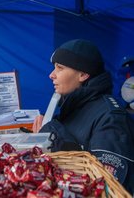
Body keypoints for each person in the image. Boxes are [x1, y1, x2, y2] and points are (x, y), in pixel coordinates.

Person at [32, 39, 134, 194]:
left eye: (60, 68)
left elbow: (106, 186)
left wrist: (52, 137)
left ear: (83, 74)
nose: (51, 75)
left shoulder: (112, 117)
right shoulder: (74, 106)